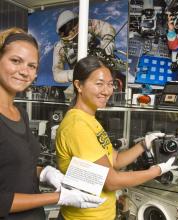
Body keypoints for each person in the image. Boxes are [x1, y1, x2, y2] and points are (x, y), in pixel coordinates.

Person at [55, 55, 178, 220]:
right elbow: (111, 181)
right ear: (79, 85)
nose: (106, 91)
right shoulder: (77, 126)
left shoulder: (89, 120)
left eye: (110, 84)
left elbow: (116, 160)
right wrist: (156, 171)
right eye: (99, 84)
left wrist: (144, 144)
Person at [0, 27, 105, 220]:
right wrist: (57, 197)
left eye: (32, 66)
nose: (24, 71)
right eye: (15, 61)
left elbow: (15, 170)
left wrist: (44, 173)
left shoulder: (20, 114)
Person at [52, 10, 116, 84]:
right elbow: (57, 74)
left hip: (103, 62)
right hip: (83, 78)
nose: (70, 33)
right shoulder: (60, 47)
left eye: (70, 27)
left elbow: (106, 28)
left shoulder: (87, 25)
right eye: (65, 30)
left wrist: (108, 41)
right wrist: (73, 74)